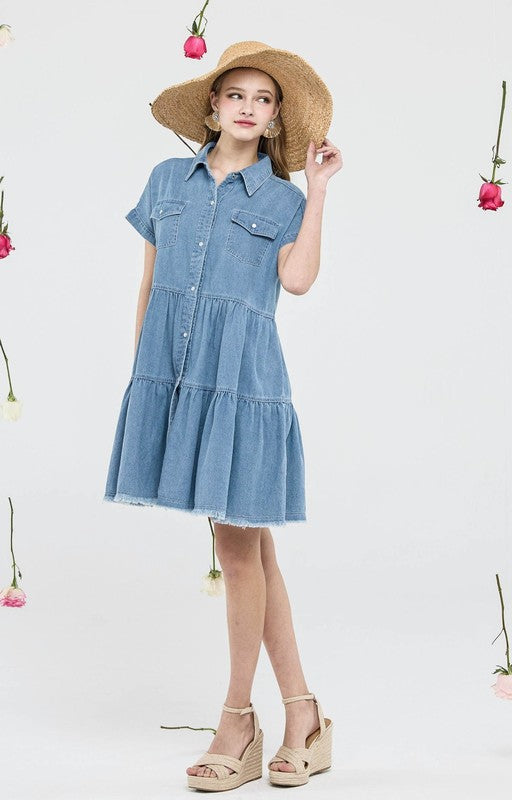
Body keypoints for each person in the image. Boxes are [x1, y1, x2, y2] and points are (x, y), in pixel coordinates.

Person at [103, 41, 342, 791]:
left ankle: (237, 721)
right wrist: (151, 379)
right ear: (211, 107)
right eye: (233, 93)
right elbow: (150, 283)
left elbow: (297, 282)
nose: (246, 105)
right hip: (174, 379)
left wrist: (319, 189)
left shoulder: (282, 201)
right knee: (252, 550)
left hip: (243, 384)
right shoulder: (165, 180)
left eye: (262, 99)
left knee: (238, 551)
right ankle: (303, 714)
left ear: (275, 120)